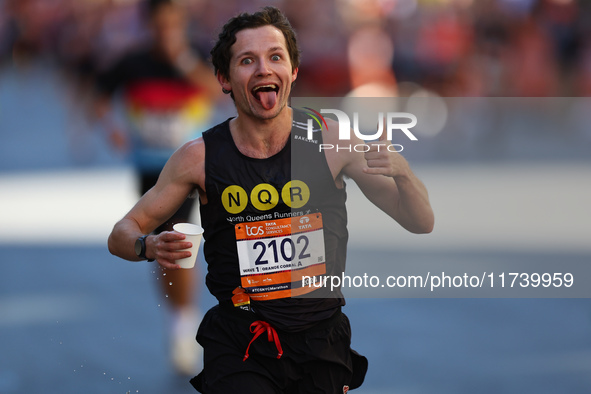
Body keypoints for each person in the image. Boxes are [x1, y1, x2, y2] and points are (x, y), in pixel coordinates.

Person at [108, 6, 434, 393]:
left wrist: (403, 173)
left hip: (320, 341)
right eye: (247, 60)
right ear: (224, 79)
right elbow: (121, 234)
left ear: (293, 72)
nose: (264, 68)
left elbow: (420, 221)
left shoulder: (333, 140)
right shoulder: (198, 157)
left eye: (275, 57)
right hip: (240, 342)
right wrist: (148, 245)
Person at [95, 0, 220, 375]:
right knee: (163, 242)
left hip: (190, 166)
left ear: (182, 25)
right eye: (160, 27)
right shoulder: (133, 62)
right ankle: (180, 319)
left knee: (181, 237)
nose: (167, 34)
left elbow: (216, 92)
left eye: (173, 26)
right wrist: (111, 127)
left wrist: (181, 59)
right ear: (149, 26)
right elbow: (99, 94)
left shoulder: (197, 56)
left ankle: (185, 326)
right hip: (150, 167)